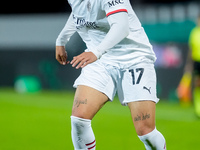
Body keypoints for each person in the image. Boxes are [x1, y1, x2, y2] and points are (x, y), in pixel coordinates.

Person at [55, 0, 166, 149]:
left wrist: (96, 52)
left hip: (134, 59)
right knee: (79, 118)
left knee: (145, 131)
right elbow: (79, 13)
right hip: (101, 61)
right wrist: (61, 40)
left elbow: (122, 27)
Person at [185, 14, 200, 117]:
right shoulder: (194, 32)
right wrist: (189, 64)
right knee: (197, 84)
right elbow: (191, 49)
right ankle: (198, 107)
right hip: (197, 61)